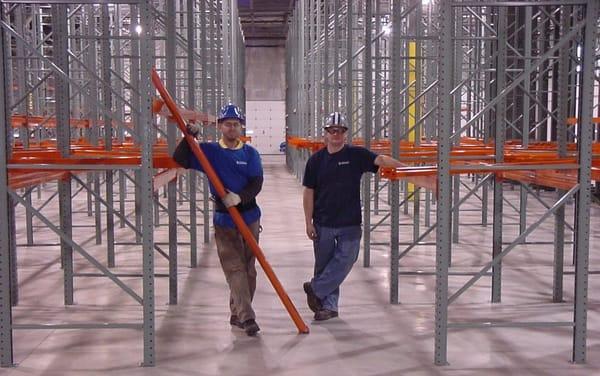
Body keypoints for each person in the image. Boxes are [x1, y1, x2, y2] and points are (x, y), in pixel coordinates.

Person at [302, 111, 405, 321]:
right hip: (323, 223)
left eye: (340, 131)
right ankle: (328, 306)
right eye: (332, 131)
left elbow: (380, 160)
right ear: (326, 134)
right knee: (324, 265)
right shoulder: (316, 161)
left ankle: (316, 288)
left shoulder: (356, 155)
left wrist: (407, 170)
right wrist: (308, 221)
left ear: (345, 134)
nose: (336, 135)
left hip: (350, 222)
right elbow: (308, 193)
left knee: (347, 259)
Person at [173, 103, 263, 336]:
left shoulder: (250, 154)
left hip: (249, 217)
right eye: (227, 124)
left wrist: (240, 198)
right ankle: (247, 317)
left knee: (249, 269)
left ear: (241, 127)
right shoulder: (210, 152)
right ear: (220, 126)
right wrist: (188, 137)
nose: (231, 128)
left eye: (235, 124)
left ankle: (237, 311)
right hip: (225, 220)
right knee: (234, 268)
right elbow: (180, 159)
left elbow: (256, 182)